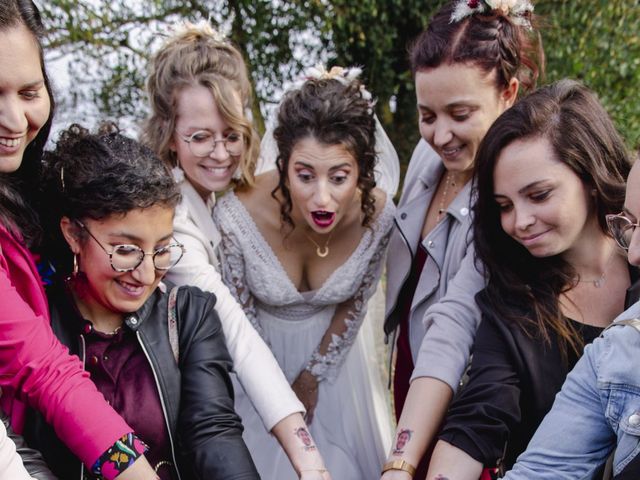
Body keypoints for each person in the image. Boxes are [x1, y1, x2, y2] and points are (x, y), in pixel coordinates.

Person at [140, 21, 330, 479]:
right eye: (200, 137)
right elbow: (232, 326)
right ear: (168, 134)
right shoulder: (170, 218)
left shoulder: (215, 198)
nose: (221, 154)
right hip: (169, 406)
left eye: (232, 134)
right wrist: (307, 456)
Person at [426, 79, 635, 479]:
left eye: (538, 195)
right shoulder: (512, 299)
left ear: (589, 177)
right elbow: (478, 418)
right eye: (504, 205)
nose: (519, 222)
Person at [25, 123, 259, 480]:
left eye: (162, 249)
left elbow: (213, 433)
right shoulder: (34, 325)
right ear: (73, 233)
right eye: (126, 250)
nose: (147, 274)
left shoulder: (189, 315)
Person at [382, 0, 542, 477]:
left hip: (465, 407)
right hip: (410, 380)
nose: (440, 133)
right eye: (427, 114)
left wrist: (400, 462)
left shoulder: (504, 202)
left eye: (460, 113)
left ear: (509, 93)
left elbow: (454, 325)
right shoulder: (427, 159)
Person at [213, 66, 397, 479]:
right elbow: (238, 316)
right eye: (304, 175)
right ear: (283, 163)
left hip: (338, 370)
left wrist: (313, 376)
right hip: (257, 362)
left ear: (362, 169)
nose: (322, 197)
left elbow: (355, 300)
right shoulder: (237, 213)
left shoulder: (380, 215)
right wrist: (277, 390)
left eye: (339, 177)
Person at [0, 1, 157, 478]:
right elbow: (39, 364)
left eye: (29, 91)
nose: (13, 120)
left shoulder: (35, 193)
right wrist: (132, 467)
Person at [501, 156, 640, 480]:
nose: (634, 253)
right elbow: (542, 472)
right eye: (631, 225)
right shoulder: (617, 351)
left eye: (539, 194)